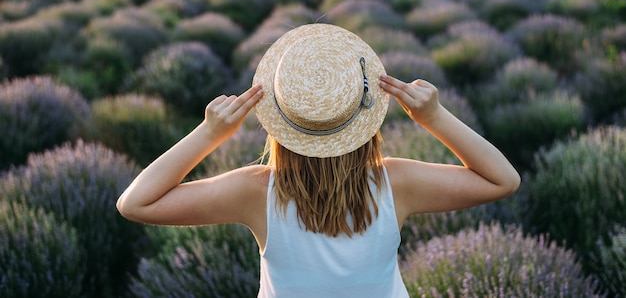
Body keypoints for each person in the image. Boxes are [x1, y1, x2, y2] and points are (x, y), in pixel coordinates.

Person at [117, 23, 521, 297]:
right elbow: (502, 180)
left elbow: (135, 203)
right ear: (366, 121)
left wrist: (210, 134)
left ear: (279, 121)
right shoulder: (395, 183)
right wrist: (434, 117)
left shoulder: (256, 191)